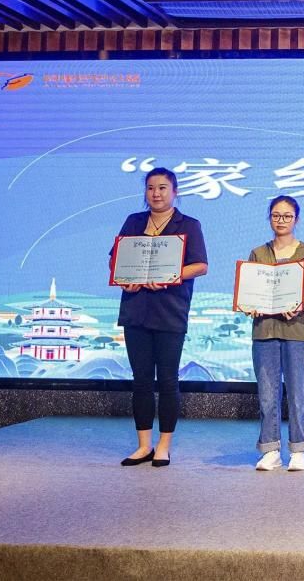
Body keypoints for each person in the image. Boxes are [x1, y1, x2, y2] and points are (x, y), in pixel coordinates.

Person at [114, 167, 208, 467]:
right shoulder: (133, 221)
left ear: (174, 191)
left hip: (170, 311)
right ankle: (144, 445)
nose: (156, 193)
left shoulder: (189, 225)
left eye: (163, 187)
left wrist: (171, 275)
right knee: (141, 380)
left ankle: (164, 445)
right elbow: (116, 258)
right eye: (151, 188)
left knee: (167, 380)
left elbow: (201, 265)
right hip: (136, 309)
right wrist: (123, 279)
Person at [243, 195, 304, 472]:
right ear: (269, 218)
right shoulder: (258, 253)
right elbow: (250, 291)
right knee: (267, 394)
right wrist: (249, 304)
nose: (281, 220)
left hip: (297, 331)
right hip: (265, 331)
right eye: (276, 215)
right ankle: (270, 450)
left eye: (287, 216)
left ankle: (299, 449)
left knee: (299, 393)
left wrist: (300, 306)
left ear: (296, 219)